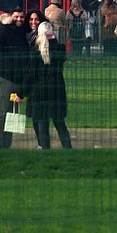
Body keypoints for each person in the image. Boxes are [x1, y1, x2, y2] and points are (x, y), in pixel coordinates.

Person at [0, 9, 32, 148]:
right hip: (2, 76)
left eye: (21, 17)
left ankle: (6, 145)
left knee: (12, 112)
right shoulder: (3, 30)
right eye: (16, 16)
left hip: (15, 78)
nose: (19, 19)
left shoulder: (22, 32)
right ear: (11, 17)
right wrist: (10, 62)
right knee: (1, 113)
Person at [28, 21, 71, 149]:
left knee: (42, 122)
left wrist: (22, 91)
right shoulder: (60, 48)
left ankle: (45, 148)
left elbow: (31, 73)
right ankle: (68, 148)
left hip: (40, 90)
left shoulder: (36, 49)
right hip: (56, 89)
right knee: (60, 123)